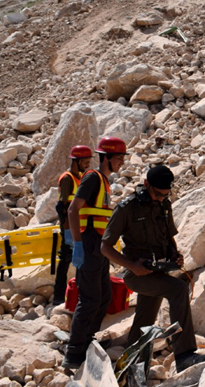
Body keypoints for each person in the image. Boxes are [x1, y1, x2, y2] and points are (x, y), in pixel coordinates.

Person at [100, 165, 205, 373]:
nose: (160, 198)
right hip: (136, 273)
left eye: (165, 195)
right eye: (158, 194)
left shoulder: (163, 205)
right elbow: (104, 247)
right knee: (177, 289)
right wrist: (132, 266)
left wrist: (175, 255)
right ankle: (184, 355)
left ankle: (131, 363)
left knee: (145, 317)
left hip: (157, 270)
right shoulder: (126, 208)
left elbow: (168, 237)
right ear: (146, 184)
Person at [62, 136, 127, 369]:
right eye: (119, 158)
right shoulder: (92, 178)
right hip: (88, 244)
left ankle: (87, 340)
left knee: (104, 297)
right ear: (106, 157)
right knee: (89, 299)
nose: (122, 162)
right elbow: (73, 209)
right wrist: (77, 243)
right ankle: (74, 353)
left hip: (98, 246)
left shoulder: (104, 182)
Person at [52, 145, 93, 306]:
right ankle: (58, 297)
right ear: (76, 161)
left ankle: (75, 295)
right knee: (65, 260)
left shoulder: (81, 177)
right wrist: (68, 232)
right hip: (70, 227)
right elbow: (63, 208)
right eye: (85, 161)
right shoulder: (68, 178)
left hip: (79, 226)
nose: (87, 164)